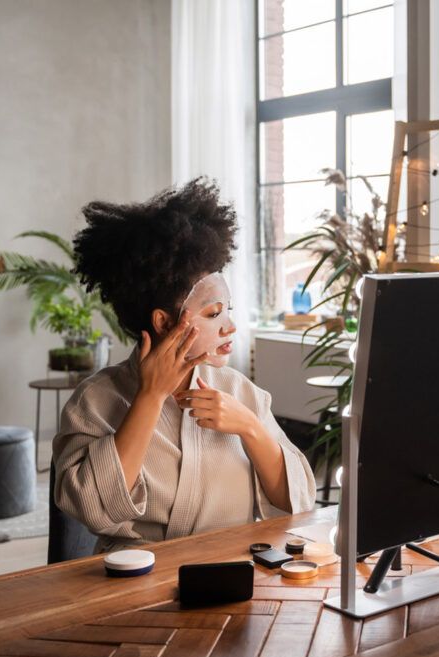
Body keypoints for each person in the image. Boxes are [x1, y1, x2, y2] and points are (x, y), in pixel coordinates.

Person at [53, 178, 316, 550]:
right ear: (163, 322)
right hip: (136, 586)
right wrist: (149, 397)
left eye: (228, 310)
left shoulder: (241, 392)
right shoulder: (95, 401)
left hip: (231, 577)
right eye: (212, 313)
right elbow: (91, 509)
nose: (230, 326)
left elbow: (299, 503)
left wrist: (251, 428)